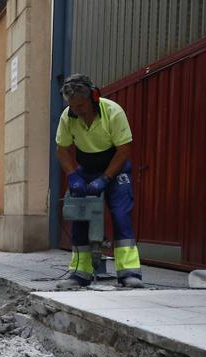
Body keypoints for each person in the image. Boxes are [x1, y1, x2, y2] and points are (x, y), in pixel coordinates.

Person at [55, 74, 143, 289]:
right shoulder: (68, 116)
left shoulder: (113, 112)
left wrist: (105, 179)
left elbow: (124, 150)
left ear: (94, 97)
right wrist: (73, 176)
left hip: (115, 165)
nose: (77, 111)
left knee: (121, 215)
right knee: (79, 217)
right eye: (73, 106)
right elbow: (62, 150)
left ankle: (129, 272)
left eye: (81, 105)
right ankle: (79, 272)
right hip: (87, 169)